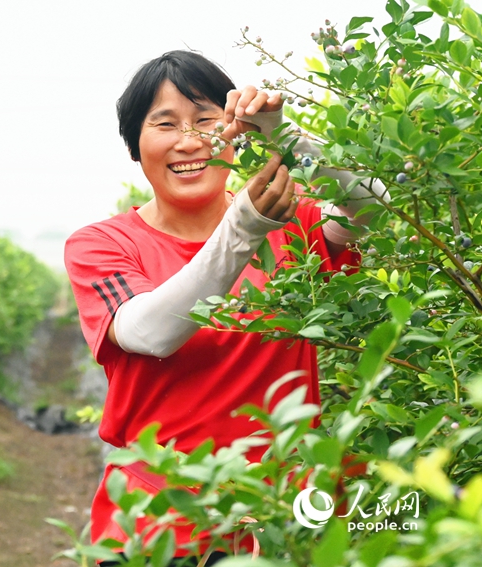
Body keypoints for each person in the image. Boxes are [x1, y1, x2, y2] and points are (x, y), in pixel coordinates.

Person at [64, 50, 386, 564]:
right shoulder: (103, 245)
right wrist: (243, 229)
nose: (189, 141)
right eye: (165, 123)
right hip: (163, 521)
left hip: (283, 515)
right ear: (135, 145)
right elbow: (149, 333)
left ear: (235, 132)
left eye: (207, 120)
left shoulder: (291, 220)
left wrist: (286, 136)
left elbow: (373, 206)